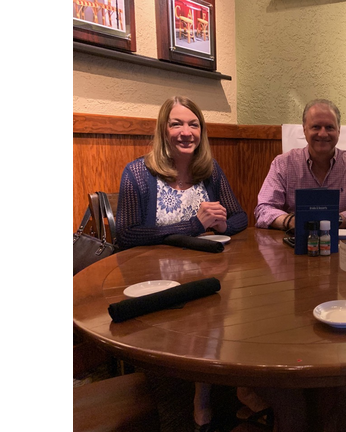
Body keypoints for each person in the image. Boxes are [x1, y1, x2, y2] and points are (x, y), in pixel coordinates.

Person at [114, 96, 248, 432]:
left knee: (216, 324)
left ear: (201, 131)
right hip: (154, 282)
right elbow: (127, 236)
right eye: (177, 123)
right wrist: (193, 225)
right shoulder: (137, 173)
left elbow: (241, 217)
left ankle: (206, 393)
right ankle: (179, 397)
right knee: (173, 345)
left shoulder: (211, 171)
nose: (186, 131)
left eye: (193, 124)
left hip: (206, 278)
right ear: (163, 129)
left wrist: (222, 225)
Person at [254, 99, 346, 231]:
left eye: (329, 127)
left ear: (338, 131)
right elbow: (264, 208)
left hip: (341, 245)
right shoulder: (283, 163)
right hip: (292, 244)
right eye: (316, 127)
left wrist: (335, 220)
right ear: (305, 130)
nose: (323, 134)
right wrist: (291, 221)